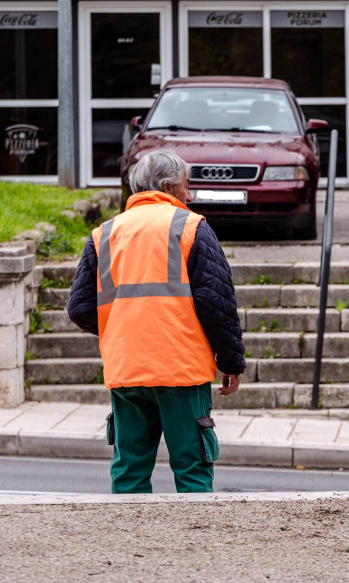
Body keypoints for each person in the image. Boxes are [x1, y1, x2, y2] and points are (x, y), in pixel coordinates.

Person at [67, 149, 246, 494]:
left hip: (127, 370)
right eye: (186, 185)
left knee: (130, 470)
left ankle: (131, 544)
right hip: (180, 368)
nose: (190, 195)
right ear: (168, 187)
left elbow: (80, 308)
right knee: (193, 468)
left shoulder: (105, 233)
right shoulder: (192, 227)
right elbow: (217, 304)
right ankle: (195, 543)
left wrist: (122, 327)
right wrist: (232, 361)